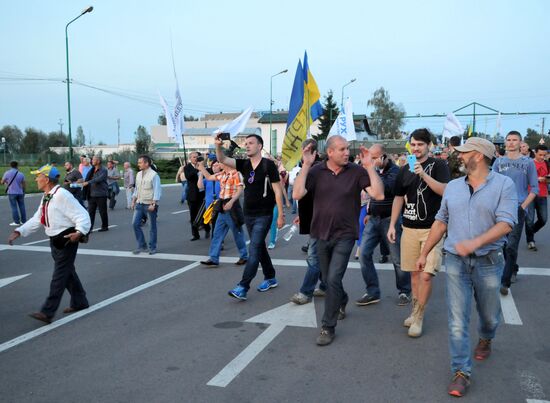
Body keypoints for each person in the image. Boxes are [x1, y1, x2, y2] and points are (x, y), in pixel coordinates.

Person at [415, 137, 517, 397]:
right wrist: (424, 252)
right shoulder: (453, 187)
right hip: (456, 262)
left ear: (479, 156)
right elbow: (440, 222)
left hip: (489, 262)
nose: (459, 156)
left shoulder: (504, 185)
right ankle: (461, 372)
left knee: (490, 316)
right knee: (458, 321)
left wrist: (475, 242)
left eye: (464, 152)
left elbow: (506, 223)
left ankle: (486, 337)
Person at [293, 135, 384, 346]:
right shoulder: (316, 171)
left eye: (347, 149)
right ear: (330, 152)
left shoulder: (357, 171)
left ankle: (328, 326)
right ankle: (341, 299)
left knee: (332, 278)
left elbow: (378, 195)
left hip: (345, 235)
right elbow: (297, 194)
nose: (347, 153)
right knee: (328, 278)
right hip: (320, 234)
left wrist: (369, 166)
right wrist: (306, 164)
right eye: (342, 149)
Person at [8, 165, 91, 324]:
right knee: (68, 272)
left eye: (38, 176)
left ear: (46, 179)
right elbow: (38, 218)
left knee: (59, 275)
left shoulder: (62, 195)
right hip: (54, 239)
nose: (35, 179)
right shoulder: (47, 195)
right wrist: (19, 231)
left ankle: (47, 311)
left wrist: (79, 232)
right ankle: (80, 301)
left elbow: (82, 215)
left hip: (67, 238)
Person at [387, 128, 450, 338]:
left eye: (420, 144)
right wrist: (392, 224)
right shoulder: (404, 169)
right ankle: (414, 311)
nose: (416, 148)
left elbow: (445, 191)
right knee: (414, 274)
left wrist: (423, 174)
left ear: (429, 146)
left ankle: (420, 316)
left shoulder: (439, 165)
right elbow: (398, 197)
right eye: (413, 144)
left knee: (425, 275)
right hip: (409, 229)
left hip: (433, 229)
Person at [215, 133, 285, 301]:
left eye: (251, 143)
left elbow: (277, 191)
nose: (247, 146)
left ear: (259, 146)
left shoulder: (268, 165)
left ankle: (243, 286)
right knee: (259, 247)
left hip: (265, 214)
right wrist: (218, 145)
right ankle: (270, 277)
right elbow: (223, 159)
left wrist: (280, 214)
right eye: (245, 143)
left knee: (253, 249)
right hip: (249, 214)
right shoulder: (244, 164)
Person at [356, 144, 411, 307]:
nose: (371, 161)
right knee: (364, 254)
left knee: (397, 259)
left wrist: (370, 170)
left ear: (383, 157)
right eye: (370, 158)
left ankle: (404, 291)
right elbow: (372, 195)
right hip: (373, 219)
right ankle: (372, 292)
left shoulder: (395, 172)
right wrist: (368, 211)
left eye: (374, 158)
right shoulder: (373, 171)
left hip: (390, 220)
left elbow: (384, 191)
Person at [492, 131, 538, 295]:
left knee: (511, 245)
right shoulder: (498, 162)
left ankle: (504, 283)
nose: (511, 143)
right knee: (503, 244)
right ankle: (514, 266)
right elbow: (493, 185)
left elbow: (534, 188)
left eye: (514, 140)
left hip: (518, 208)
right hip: (501, 208)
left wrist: (523, 206)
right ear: (505, 143)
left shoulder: (528, 163)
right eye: (508, 140)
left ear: (520, 143)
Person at [290, 139, 327, 305]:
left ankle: (306, 292)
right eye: (303, 151)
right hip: (311, 219)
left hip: (320, 221)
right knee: (319, 257)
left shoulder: (318, 170)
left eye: (307, 151)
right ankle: (326, 286)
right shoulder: (308, 168)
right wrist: (301, 215)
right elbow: (302, 195)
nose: (304, 154)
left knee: (313, 257)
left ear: (315, 153)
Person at [197, 160, 248, 267]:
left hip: (232, 206)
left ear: (226, 163)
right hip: (222, 206)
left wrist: (231, 202)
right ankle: (213, 258)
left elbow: (240, 190)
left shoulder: (236, 174)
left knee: (237, 233)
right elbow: (210, 177)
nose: (218, 164)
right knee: (217, 233)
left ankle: (244, 256)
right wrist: (202, 169)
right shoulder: (222, 174)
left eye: (220, 162)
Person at [131, 155, 161, 255]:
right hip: (139, 203)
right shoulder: (138, 174)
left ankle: (152, 247)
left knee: (152, 227)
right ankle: (141, 245)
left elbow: (157, 190)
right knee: (135, 224)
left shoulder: (154, 175)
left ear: (146, 163)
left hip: (149, 204)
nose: (138, 164)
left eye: (140, 162)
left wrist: (154, 203)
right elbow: (137, 189)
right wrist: (133, 200)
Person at [525, 145, 548, 250]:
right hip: (530, 194)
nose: (542, 157)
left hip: (543, 194)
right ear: (535, 152)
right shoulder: (529, 163)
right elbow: (524, 178)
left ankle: (530, 231)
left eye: (544, 155)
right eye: (540, 155)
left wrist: (546, 179)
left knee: (543, 219)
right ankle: (530, 240)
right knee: (529, 219)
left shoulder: (547, 163)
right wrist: (536, 179)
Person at [184, 152, 210, 241]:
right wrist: (198, 169)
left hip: (202, 195)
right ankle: (195, 234)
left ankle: (207, 229)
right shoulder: (187, 167)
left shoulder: (203, 167)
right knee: (193, 216)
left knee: (203, 214)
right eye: (194, 157)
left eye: (197, 157)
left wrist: (202, 167)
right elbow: (189, 177)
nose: (196, 158)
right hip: (192, 195)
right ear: (190, 158)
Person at [83, 155, 109, 232]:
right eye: (92, 159)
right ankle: (89, 228)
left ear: (98, 161)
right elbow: (87, 178)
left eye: (94, 160)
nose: (92, 161)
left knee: (102, 212)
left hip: (101, 194)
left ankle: (105, 226)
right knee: (90, 212)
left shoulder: (104, 170)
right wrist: (82, 182)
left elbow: (98, 179)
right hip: (92, 194)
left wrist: (88, 182)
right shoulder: (92, 170)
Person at [2, 160, 27, 226]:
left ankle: (16, 222)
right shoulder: (21, 174)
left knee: (14, 207)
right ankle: (23, 221)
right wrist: (24, 191)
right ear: (17, 166)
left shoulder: (7, 173)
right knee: (22, 206)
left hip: (11, 192)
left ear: (10, 165)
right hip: (20, 192)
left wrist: (6, 182)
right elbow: (24, 184)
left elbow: (2, 182)